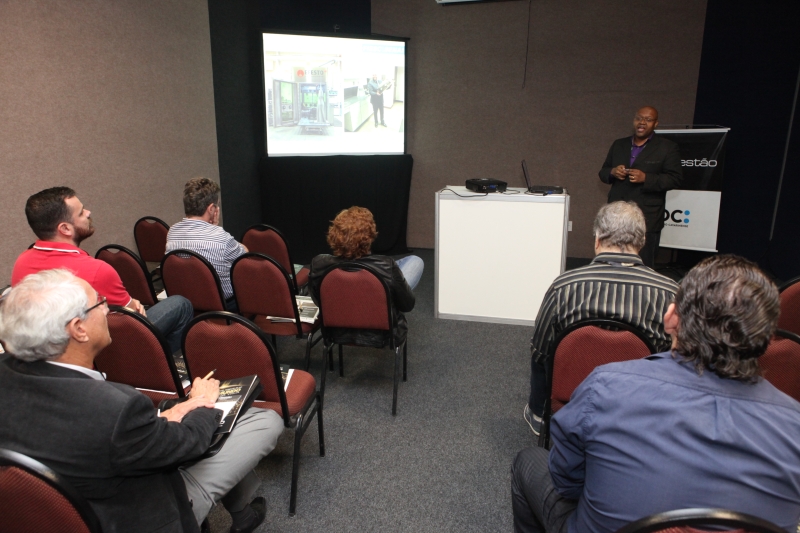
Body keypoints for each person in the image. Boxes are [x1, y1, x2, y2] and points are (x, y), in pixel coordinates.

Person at [512, 255, 800, 533]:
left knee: (528, 460)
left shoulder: (605, 387)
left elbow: (566, 482)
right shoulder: (794, 423)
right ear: (767, 337)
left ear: (671, 317)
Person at [0, 269, 283, 533]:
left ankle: (242, 514)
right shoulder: (113, 408)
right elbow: (188, 443)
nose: (107, 309)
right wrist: (202, 401)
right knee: (263, 420)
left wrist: (162, 420)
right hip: (139, 515)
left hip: (60, 511)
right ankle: (229, 512)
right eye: (99, 302)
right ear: (78, 329)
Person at [524, 201, 678, 435]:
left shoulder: (563, 286)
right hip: (640, 403)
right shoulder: (670, 292)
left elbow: (541, 350)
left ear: (597, 239)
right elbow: (680, 357)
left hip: (573, 397)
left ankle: (539, 415)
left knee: (541, 352)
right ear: (642, 241)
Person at [11, 186, 193, 355]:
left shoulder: (21, 262)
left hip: (51, 353)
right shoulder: (97, 270)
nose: (88, 212)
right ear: (65, 228)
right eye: (81, 212)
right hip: (104, 351)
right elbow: (135, 319)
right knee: (180, 304)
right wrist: (134, 304)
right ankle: (158, 367)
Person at [308, 206, 423, 347]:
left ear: (334, 233)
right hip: (385, 335)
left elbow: (319, 301)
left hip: (336, 332)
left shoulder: (319, 263)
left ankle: (386, 289)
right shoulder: (385, 265)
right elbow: (407, 305)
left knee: (403, 266)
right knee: (415, 262)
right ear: (369, 236)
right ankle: (389, 292)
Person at [598, 106, 683, 267]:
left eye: (648, 119)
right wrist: (612, 172)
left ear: (655, 124)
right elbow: (603, 172)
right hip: (616, 214)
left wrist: (646, 178)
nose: (642, 122)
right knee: (612, 260)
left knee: (642, 264)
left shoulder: (667, 147)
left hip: (647, 216)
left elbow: (675, 179)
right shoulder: (619, 144)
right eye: (639, 118)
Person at [166, 177, 247, 311]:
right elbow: (245, 258)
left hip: (188, 304)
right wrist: (216, 228)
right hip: (223, 307)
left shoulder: (172, 232)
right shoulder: (221, 237)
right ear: (211, 209)